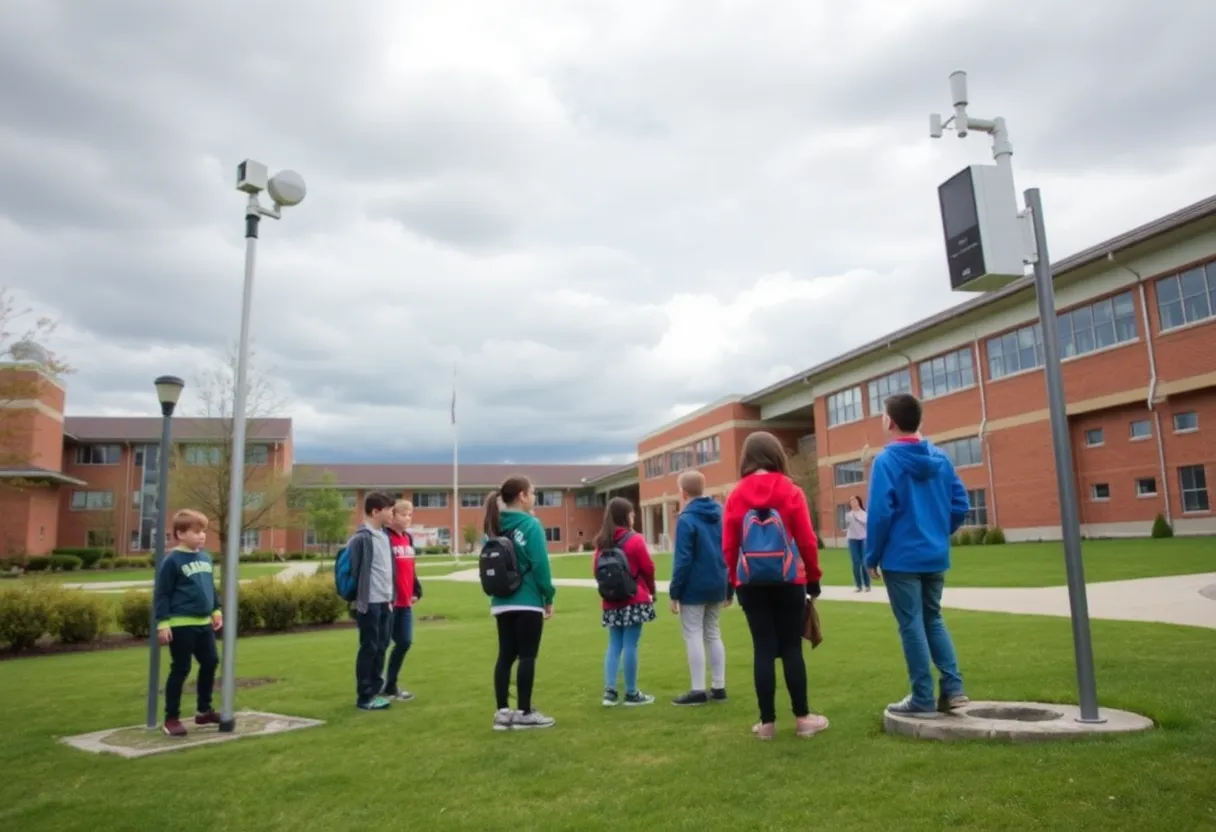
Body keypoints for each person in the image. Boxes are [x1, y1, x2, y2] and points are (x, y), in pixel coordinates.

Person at [866, 393, 970, 719]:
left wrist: (871, 556)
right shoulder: (941, 459)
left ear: (890, 422)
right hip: (934, 555)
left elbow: (881, 513)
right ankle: (953, 689)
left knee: (911, 624)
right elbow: (960, 505)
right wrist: (938, 532)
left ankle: (923, 697)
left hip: (901, 558)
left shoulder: (886, 461)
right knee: (933, 618)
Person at [723, 431, 829, 740]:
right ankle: (803, 717)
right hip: (788, 578)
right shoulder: (791, 491)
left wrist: (733, 577)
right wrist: (813, 576)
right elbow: (807, 540)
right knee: (791, 647)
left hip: (749, 580)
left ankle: (766, 724)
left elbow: (729, 544)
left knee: (763, 648)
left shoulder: (736, 494)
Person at [484, 476, 557, 730]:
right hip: (527, 600)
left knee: (505, 656)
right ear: (523, 495)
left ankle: (503, 713)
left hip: (501, 601)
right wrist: (548, 596)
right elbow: (540, 565)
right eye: (534, 492)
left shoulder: (493, 524)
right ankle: (525, 713)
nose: (535, 497)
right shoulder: (531, 524)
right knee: (527, 656)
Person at [154, 508, 222, 737]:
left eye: (203, 531)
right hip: (181, 624)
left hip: (204, 624)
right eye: (196, 531)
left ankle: (204, 711)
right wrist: (163, 623)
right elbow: (162, 593)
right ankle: (171, 718)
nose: (202, 536)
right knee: (181, 668)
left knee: (211, 661)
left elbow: (210, 587)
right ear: (180, 534)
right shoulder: (172, 561)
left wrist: (216, 610)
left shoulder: (205, 558)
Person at [669, 470, 730, 706]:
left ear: (683, 492)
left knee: (693, 633)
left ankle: (697, 689)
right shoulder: (720, 514)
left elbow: (683, 559)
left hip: (694, 586)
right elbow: (729, 550)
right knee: (713, 633)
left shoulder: (686, 519)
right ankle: (719, 685)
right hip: (717, 582)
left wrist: (675, 592)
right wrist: (730, 586)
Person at [594, 497, 657, 707]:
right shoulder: (635, 539)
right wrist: (652, 591)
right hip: (634, 598)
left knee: (614, 644)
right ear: (625, 516)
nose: (634, 517)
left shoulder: (601, 542)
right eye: (631, 513)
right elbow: (648, 568)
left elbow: (596, 570)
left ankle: (610, 692)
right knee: (631, 644)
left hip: (611, 601)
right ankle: (631, 693)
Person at [347, 491, 398, 711]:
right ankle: (364, 696)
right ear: (376, 511)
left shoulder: (385, 536)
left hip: (385, 601)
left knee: (382, 646)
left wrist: (391, 597)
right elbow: (356, 572)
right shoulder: (362, 539)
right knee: (369, 647)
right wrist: (358, 602)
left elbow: (388, 570)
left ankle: (377, 690)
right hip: (369, 603)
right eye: (389, 511)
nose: (392, 515)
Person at [383, 498, 422, 701]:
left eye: (410, 514)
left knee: (404, 642)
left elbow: (410, 568)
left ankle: (390, 684)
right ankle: (375, 686)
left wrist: (416, 589)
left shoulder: (408, 538)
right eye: (403, 514)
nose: (407, 518)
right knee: (380, 645)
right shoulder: (385, 538)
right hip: (388, 603)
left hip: (405, 603)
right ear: (392, 516)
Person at [845, 495, 870, 592]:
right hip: (852, 539)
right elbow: (847, 526)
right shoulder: (848, 514)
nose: (853, 502)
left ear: (858, 502)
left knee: (864, 562)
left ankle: (867, 585)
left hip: (863, 538)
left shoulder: (864, 514)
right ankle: (858, 585)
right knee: (856, 562)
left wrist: (856, 519)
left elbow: (865, 524)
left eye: (854, 500)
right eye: (851, 501)